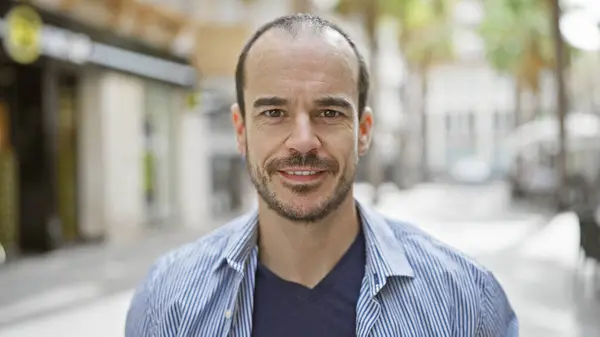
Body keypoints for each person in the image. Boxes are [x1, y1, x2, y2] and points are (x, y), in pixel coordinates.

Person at [126, 14, 518, 336]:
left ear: (363, 132)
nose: (302, 141)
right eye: (273, 113)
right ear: (241, 129)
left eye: (329, 113)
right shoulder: (169, 298)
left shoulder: (464, 299)